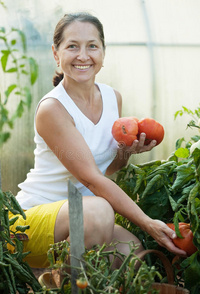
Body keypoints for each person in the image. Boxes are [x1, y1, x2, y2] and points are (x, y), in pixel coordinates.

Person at [10, 12, 186, 273]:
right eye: (72, 46)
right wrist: (148, 222)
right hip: (30, 223)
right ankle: (59, 288)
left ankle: (70, 283)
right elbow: (92, 179)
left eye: (92, 46)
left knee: (132, 254)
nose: (83, 55)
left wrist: (125, 153)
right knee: (99, 211)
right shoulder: (53, 108)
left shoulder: (112, 98)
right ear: (56, 54)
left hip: (82, 217)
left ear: (103, 53)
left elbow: (106, 168)